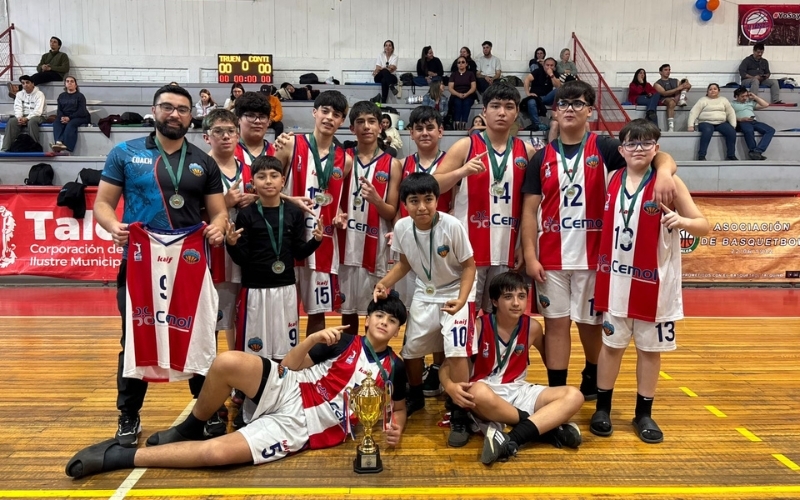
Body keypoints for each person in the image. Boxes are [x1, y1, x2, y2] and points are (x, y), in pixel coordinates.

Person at [65, 296, 409, 479]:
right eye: (379, 315)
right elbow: (288, 365)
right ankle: (189, 427)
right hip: (291, 387)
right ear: (368, 319)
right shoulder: (342, 341)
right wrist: (313, 340)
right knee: (227, 362)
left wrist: (395, 429)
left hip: (303, 426)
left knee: (217, 455)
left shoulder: (395, 367)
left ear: (397, 331)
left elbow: (401, 407)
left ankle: (118, 457)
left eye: (392, 320)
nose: (383, 322)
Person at [520, 80, 677, 402]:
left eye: (578, 104)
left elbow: (651, 155)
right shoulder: (541, 158)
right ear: (555, 111)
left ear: (590, 110)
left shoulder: (606, 148)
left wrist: (665, 172)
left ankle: (591, 375)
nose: (569, 110)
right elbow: (528, 211)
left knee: (590, 325)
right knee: (557, 325)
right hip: (551, 259)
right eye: (563, 104)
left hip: (595, 258)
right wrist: (530, 255)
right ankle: (557, 386)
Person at [92, 84, 228, 448]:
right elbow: (103, 205)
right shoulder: (124, 153)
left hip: (190, 263)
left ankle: (209, 409)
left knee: (201, 337)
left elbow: (219, 212)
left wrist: (218, 228)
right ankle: (128, 416)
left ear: (191, 116)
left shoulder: (204, 161)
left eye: (183, 110)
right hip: (139, 263)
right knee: (134, 338)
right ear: (154, 111)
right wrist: (113, 226)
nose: (175, 114)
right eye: (167, 108)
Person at [591, 118, 709, 444]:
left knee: (649, 351)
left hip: (655, 285)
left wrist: (680, 219)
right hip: (616, 280)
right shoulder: (612, 177)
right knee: (611, 347)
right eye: (632, 143)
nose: (639, 148)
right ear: (622, 149)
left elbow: (704, 225)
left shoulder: (668, 182)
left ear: (656, 148)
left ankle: (644, 413)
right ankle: (603, 407)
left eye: (646, 143)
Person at [373, 172, 476, 448]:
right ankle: (415, 395)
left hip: (456, 290)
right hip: (426, 290)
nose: (422, 207)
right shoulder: (404, 227)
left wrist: (463, 300)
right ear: (405, 203)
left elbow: (469, 267)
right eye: (414, 201)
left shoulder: (452, 225)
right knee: (412, 349)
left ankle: (459, 411)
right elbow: (405, 264)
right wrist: (385, 282)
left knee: (456, 350)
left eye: (428, 199)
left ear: (437, 199)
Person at [439, 272, 584, 464]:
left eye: (521, 296)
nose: (516, 303)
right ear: (495, 301)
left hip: (518, 390)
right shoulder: (479, 326)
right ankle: (545, 428)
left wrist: (560, 333)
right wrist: (450, 387)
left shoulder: (532, 327)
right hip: (486, 393)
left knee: (574, 396)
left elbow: (551, 360)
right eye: (508, 297)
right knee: (477, 392)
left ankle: (512, 440)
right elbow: (445, 367)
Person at [435, 82, 537, 319]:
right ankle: (464, 357)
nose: (502, 112)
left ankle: (495, 357)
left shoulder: (528, 151)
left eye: (509, 107)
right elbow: (435, 185)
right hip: (469, 249)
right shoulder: (466, 145)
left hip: (507, 247)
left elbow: (532, 206)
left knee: (501, 316)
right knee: (464, 315)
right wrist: (461, 172)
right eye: (495, 106)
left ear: (516, 113)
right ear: (484, 111)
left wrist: (525, 244)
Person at [226, 155, 324, 362]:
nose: (268, 181)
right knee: (252, 346)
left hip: (285, 288)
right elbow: (242, 259)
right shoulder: (246, 214)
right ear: (252, 183)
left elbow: (298, 253)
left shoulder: (294, 213)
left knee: (285, 344)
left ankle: (284, 381)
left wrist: (315, 241)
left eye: (273, 176)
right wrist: (232, 244)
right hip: (254, 289)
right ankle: (246, 387)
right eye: (261, 177)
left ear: (283, 180)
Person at [273, 90, 353, 337]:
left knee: (318, 312)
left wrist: (340, 214)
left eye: (336, 114)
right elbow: (264, 186)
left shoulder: (345, 160)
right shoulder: (289, 144)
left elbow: (339, 200)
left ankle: (309, 364)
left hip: (322, 244)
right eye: (325, 111)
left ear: (341, 121)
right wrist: (289, 199)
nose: (329, 118)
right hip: (286, 239)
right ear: (314, 112)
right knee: (283, 311)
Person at [396, 106, 450, 397]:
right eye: (419, 128)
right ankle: (416, 371)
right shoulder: (402, 163)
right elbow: (396, 205)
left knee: (442, 315)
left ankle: (439, 373)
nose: (425, 133)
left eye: (431, 127)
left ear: (441, 131)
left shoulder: (451, 161)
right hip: (413, 249)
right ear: (411, 133)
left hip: (442, 250)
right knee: (415, 312)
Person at [339, 102, 402, 335]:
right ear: (351, 128)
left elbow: (391, 211)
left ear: (380, 127)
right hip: (344, 244)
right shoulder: (341, 159)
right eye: (360, 122)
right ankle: (348, 356)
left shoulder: (393, 164)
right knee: (347, 312)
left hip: (375, 249)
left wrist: (376, 199)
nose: (366, 127)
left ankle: (371, 360)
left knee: (375, 309)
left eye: (371, 121)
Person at [202, 109, 254, 352]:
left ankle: (239, 370)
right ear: (206, 137)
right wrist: (226, 202)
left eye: (230, 131)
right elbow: (188, 212)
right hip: (211, 254)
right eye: (218, 131)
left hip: (244, 253)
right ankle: (209, 373)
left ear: (237, 135)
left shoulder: (250, 169)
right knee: (210, 318)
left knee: (240, 316)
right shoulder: (197, 169)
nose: (225, 136)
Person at [687, 83, 738, 161]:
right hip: (705, 122)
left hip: (721, 123)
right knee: (707, 131)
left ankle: (731, 155)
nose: (712, 91)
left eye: (715, 89)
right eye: (710, 89)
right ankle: (701, 155)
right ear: (707, 91)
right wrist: (690, 125)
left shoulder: (723, 100)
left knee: (731, 132)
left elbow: (730, 112)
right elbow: (693, 112)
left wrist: (733, 125)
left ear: (718, 91)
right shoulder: (703, 100)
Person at [1, 75, 46, 152]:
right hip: (23, 116)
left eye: (27, 82)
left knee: (32, 122)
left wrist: (27, 118)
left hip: (38, 115)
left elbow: (38, 111)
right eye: (23, 83)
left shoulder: (40, 94)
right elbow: (17, 108)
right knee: (12, 122)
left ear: (32, 84)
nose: (25, 85)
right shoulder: (19, 94)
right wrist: (19, 117)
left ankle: (34, 148)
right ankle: (5, 149)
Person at [233, 92, 276, 169]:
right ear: (238, 120)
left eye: (262, 117)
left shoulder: (277, 153)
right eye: (251, 116)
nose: (257, 121)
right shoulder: (226, 153)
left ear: (269, 121)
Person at [731, 86, 775, 161]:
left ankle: (757, 151)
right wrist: (741, 119)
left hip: (753, 121)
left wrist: (755, 97)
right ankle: (753, 150)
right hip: (742, 122)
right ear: (736, 96)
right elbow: (727, 115)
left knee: (770, 130)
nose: (745, 98)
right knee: (748, 130)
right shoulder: (731, 104)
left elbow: (766, 105)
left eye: (746, 96)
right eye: (742, 96)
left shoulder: (750, 103)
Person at [51, 75, 90, 153]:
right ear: (65, 84)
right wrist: (62, 117)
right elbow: (59, 110)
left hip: (80, 117)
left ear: (75, 84)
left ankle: (67, 147)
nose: (69, 83)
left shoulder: (80, 96)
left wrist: (69, 118)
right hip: (65, 116)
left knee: (71, 124)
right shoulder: (61, 96)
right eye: (67, 81)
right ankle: (58, 142)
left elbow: (81, 111)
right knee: (56, 122)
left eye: (72, 81)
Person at [524, 57, 561, 132]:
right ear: (544, 65)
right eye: (547, 65)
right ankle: (537, 124)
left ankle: (557, 119)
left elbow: (558, 86)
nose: (549, 67)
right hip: (536, 97)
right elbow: (527, 79)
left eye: (551, 65)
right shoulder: (537, 71)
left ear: (554, 67)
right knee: (531, 102)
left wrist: (551, 75)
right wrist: (528, 93)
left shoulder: (555, 74)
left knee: (559, 90)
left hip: (547, 98)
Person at [653, 64, 691, 132]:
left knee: (685, 82)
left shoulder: (675, 80)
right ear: (660, 72)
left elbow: (686, 87)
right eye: (665, 70)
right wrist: (678, 88)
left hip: (676, 97)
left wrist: (686, 84)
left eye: (669, 70)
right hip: (665, 99)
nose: (668, 71)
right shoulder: (657, 84)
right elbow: (664, 93)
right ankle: (671, 127)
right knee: (671, 102)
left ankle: (681, 99)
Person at [448, 57, 477, 130]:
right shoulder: (454, 74)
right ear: (457, 65)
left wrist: (466, 94)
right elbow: (450, 88)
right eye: (459, 62)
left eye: (463, 62)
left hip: (468, 94)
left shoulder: (470, 74)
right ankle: (457, 124)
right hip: (456, 94)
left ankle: (464, 124)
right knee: (457, 103)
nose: (461, 64)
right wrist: (458, 94)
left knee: (466, 103)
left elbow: (473, 87)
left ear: (466, 64)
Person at [373, 40, 399, 104]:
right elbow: (377, 68)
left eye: (390, 45)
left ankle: (384, 101)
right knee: (385, 71)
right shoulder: (380, 55)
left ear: (392, 48)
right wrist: (386, 68)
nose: (387, 47)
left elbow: (393, 68)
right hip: (379, 76)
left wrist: (382, 68)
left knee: (384, 80)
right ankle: (391, 87)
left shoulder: (395, 57)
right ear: (384, 47)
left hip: (390, 76)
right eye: (386, 45)